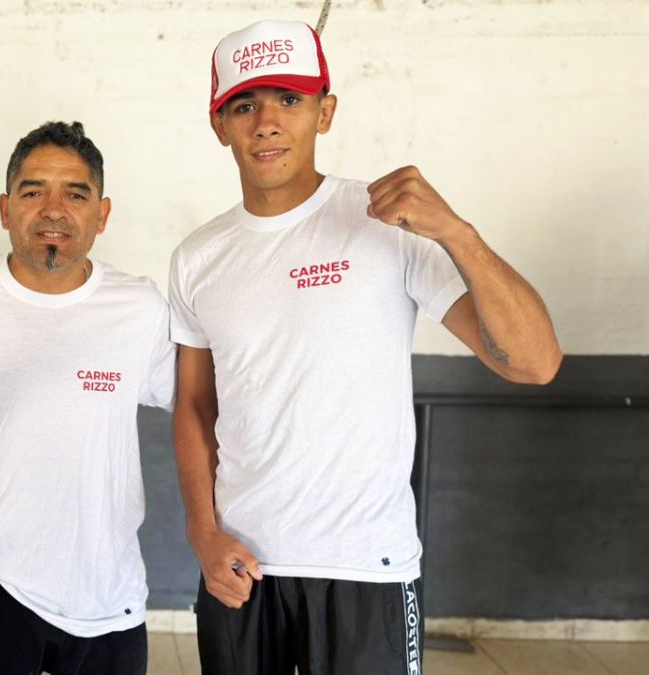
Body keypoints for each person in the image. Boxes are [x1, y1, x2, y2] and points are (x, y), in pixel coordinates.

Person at [169, 20, 561, 675]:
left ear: (325, 112)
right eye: (245, 104)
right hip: (243, 566)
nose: (266, 121)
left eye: (288, 100)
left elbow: (534, 362)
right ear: (220, 125)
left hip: (366, 568)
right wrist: (202, 533)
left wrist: (457, 233)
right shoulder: (198, 257)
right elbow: (192, 404)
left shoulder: (387, 226)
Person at [0, 121, 176, 675]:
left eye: (76, 193)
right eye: (34, 191)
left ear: (102, 214)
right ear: (4, 208)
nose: (54, 209)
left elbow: (201, 407)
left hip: (107, 592)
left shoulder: (139, 309)